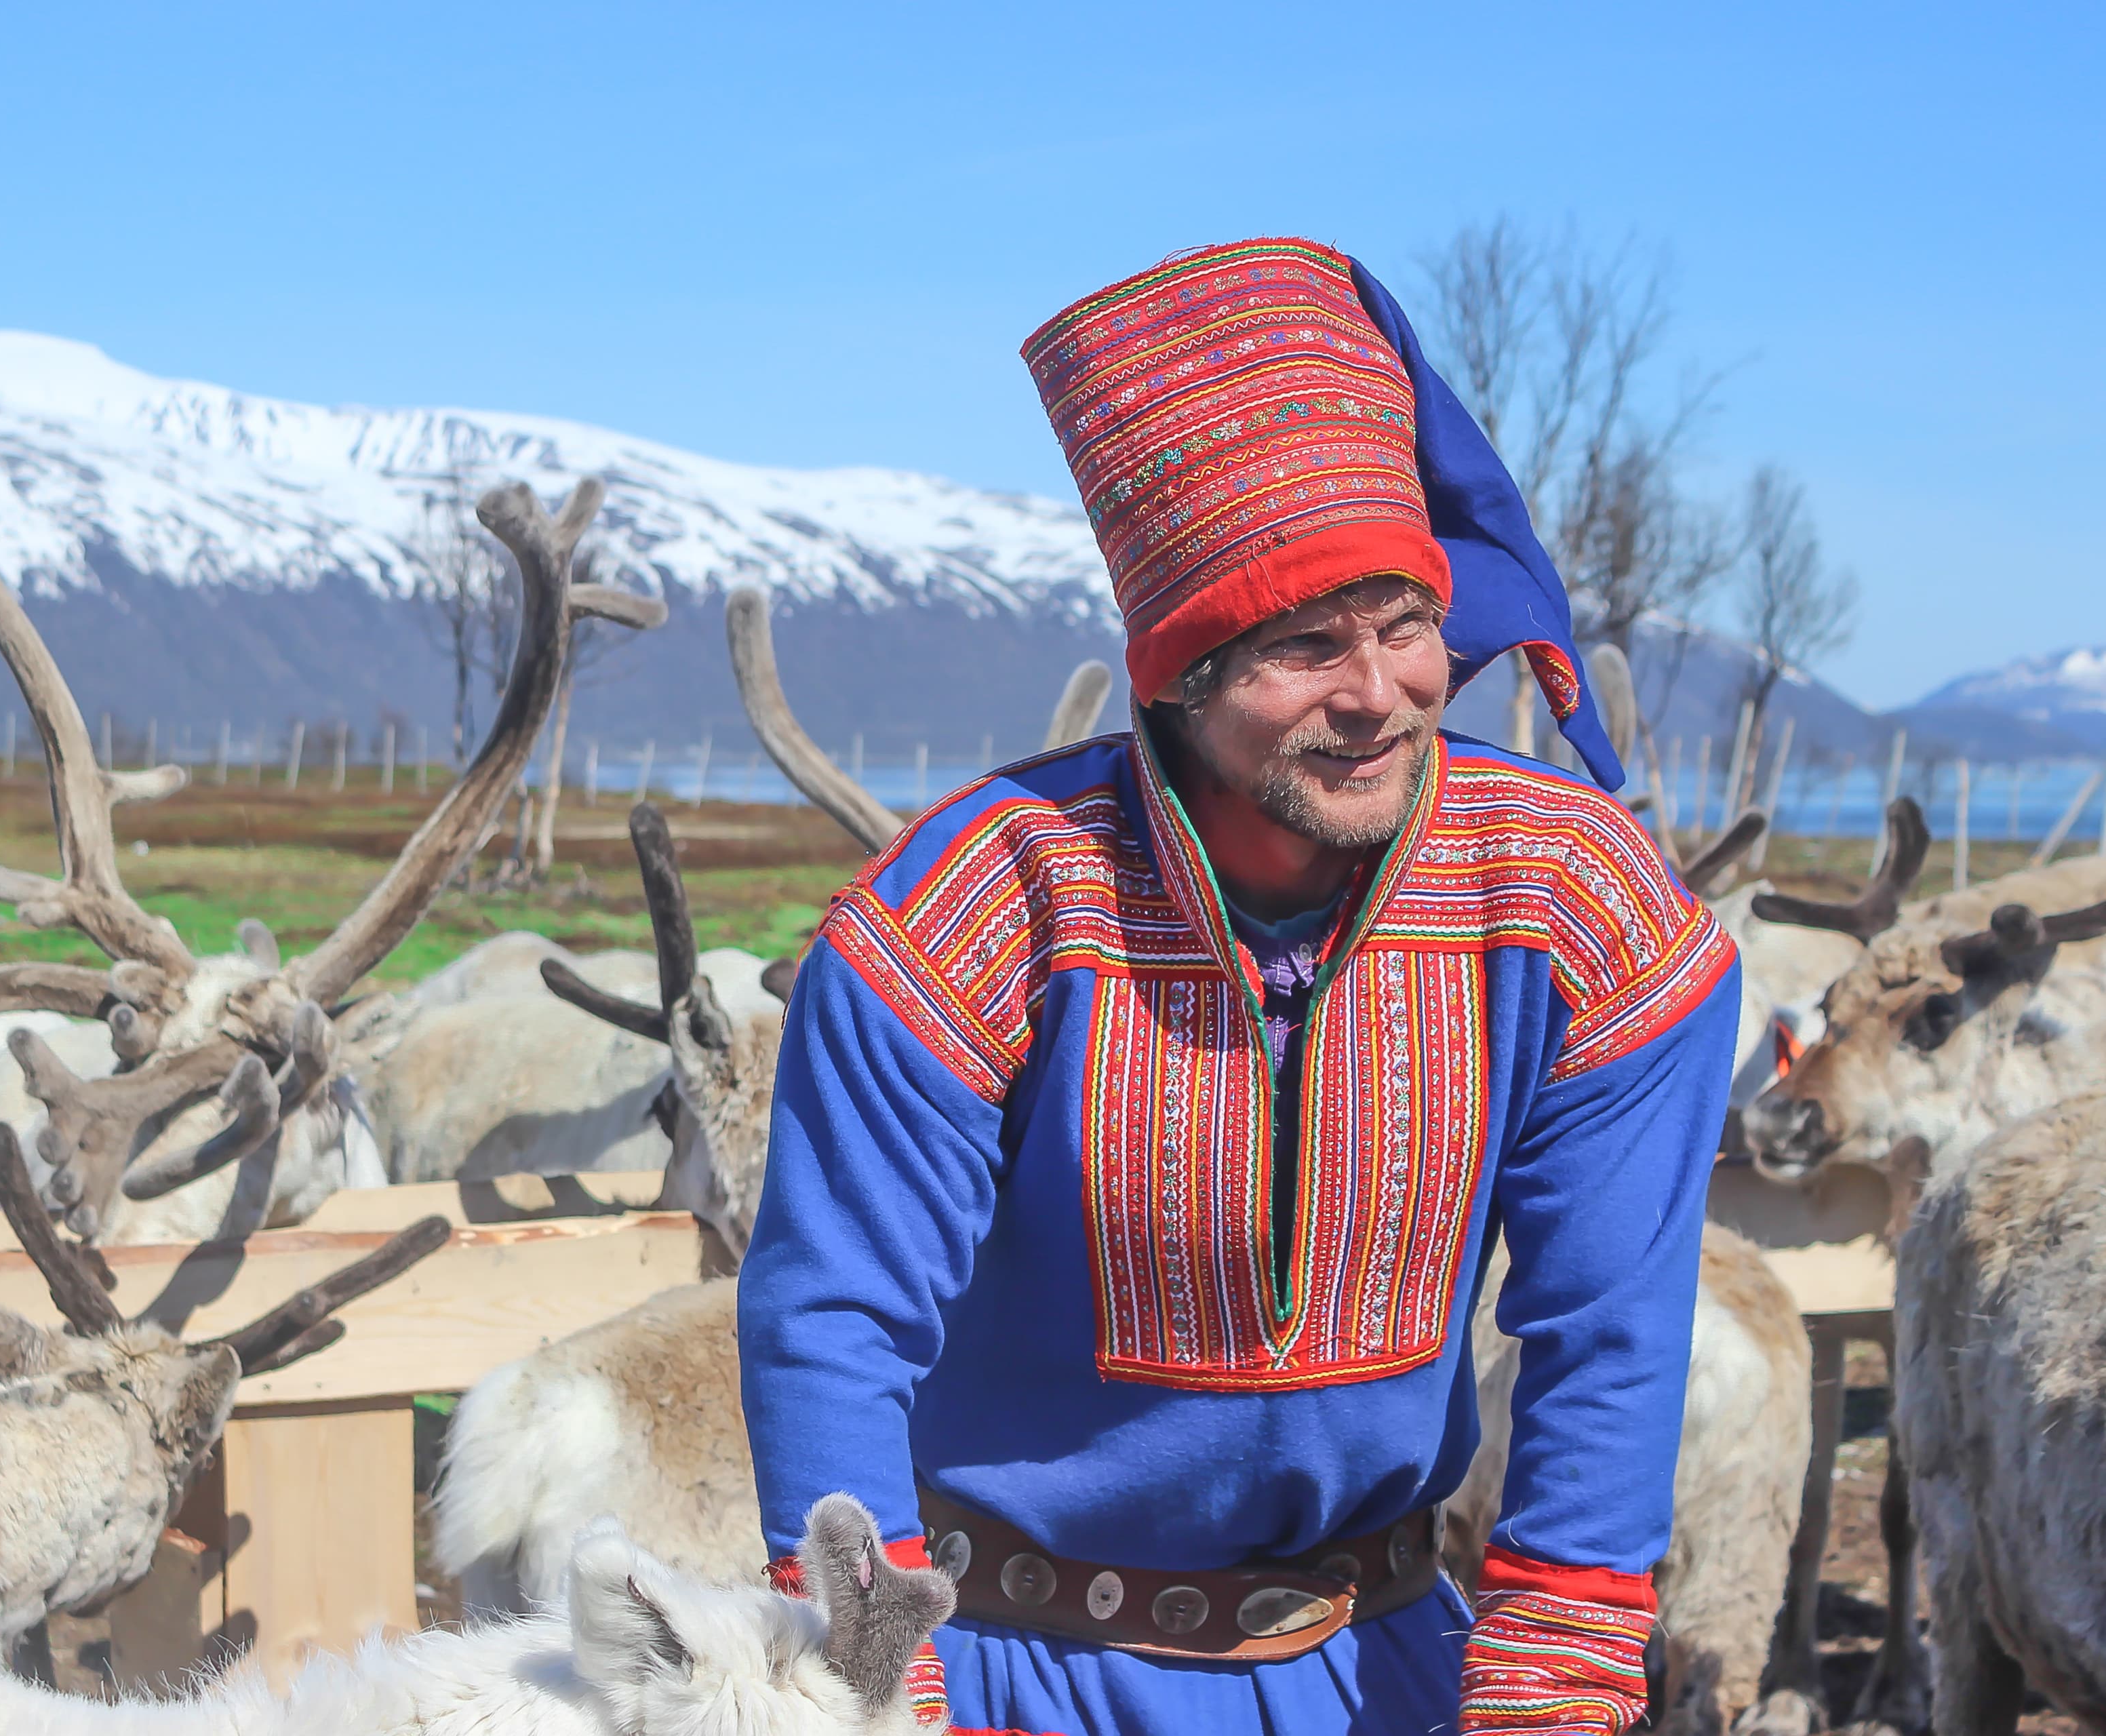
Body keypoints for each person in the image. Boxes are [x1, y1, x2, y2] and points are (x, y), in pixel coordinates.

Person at [737, 237, 1741, 1736]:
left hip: (1381, 1672)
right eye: (1303, 646)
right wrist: (876, 1689)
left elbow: (1613, 1322)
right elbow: (832, 1320)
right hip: (1010, 1672)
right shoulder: (978, 910)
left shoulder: (1572, 903)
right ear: (1182, 673)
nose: (1377, 694)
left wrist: (1554, 1667)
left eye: (1407, 628)